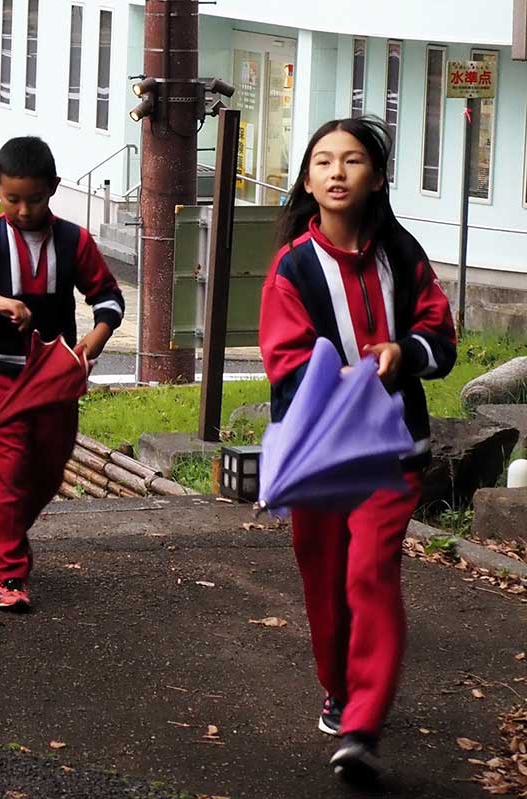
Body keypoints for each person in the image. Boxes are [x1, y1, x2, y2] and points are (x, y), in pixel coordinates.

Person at [259, 117, 456, 783]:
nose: (337, 171)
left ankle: (363, 722)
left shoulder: (402, 255)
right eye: (323, 161)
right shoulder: (292, 267)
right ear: (308, 181)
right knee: (325, 582)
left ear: (377, 177)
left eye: (352, 160)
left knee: (371, 574)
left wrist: (404, 354)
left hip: (394, 451)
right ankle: (340, 686)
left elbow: (440, 333)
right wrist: (334, 378)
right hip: (320, 458)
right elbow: (282, 360)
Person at [0, 136, 125, 612]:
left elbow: (109, 299)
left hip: (57, 374)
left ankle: (12, 535)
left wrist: (94, 341)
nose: (23, 210)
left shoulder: (74, 241)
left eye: (34, 199)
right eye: (12, 198)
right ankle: (10, 573)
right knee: (4, 473)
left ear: (53, 189)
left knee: (49, 467)